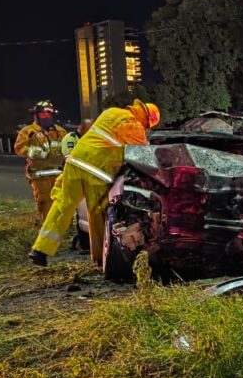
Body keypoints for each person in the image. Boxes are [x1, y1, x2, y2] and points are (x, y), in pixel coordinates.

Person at [29, 100, 160, 267]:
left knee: (63, 205)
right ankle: (100, 258)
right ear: (147, 121)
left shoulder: (111, 112)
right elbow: (144, 158)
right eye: (148, 126)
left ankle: (40, 250)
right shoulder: (135, 127)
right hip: (97, 171)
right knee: (98, 214)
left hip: (75, 162)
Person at [14, 101, 67, 222]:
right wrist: (39, 153)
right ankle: (48, 228)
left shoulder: (61, 131)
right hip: (40, 177)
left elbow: (67, 149)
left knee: (62, 202)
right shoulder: (28, 132)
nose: (47, 117)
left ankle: (64, 226)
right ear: (36, 115)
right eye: (43, 114)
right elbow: (19, 148)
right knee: (46, 203)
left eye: (49, 114)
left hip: (59, 175)